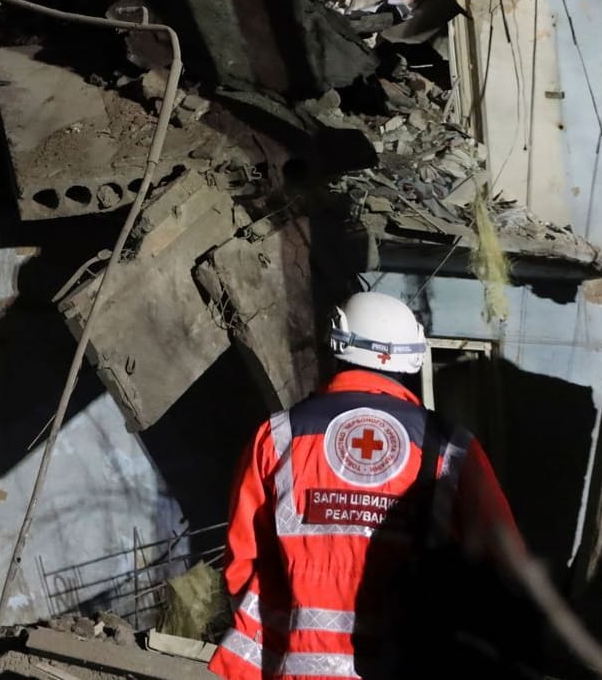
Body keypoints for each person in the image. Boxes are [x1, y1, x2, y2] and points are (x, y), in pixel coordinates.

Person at [210, 291, 530, 679]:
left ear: (336, 344)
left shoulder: (277, 436)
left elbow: (241, 561)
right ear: (411, 356)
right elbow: (505, 561)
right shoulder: (451, 446)